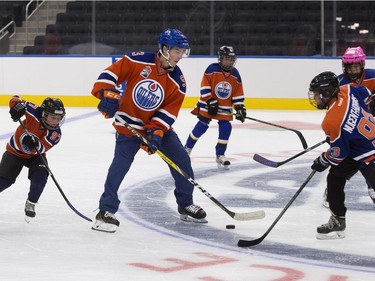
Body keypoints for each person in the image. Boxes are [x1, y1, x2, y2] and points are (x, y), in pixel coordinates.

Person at [90, 28, 207, 233]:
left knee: (182, 159)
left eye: (182, 52)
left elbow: (167, 112)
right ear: (164, 49)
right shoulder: (137, 61)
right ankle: (105, 211)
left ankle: (185, 203)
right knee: (120, 165)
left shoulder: (178, 82)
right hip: (128, 125)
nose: (180, 56)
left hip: (155, 127)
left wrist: (156, 132)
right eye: (177, 51)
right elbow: (109, 75)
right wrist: (106, 93)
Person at [308, 71, 375, 239]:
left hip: (369, 154)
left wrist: (322, 160)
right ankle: (338, 220)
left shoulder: (331, 121)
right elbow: (366, 95)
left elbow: (338, 154)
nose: (315, 98)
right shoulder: (347, 90)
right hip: (360, 148)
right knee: (335, 177)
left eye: (317, 94)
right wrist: (345, 132)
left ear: (328, 93)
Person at [322, 46, 375, 207]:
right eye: (350, 67)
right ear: (344, 67)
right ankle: (331, 190)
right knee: (343, 160)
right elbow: (333, 109)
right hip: (351, 127)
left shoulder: (373, 76)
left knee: (369, 158)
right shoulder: (339, 82)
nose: (353, 70)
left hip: (368, 125)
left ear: (362, 65)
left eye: (356, 66)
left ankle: (371, 186)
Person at [0, 96, 65, 222]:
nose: (55, 122)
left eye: (58, 118)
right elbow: (15, 98)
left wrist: (34, 143)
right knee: (4, 181)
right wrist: (16, 107)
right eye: (53, 117)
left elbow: (41, 149)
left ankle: (31, 202)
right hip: (14, 152)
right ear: (44, 114)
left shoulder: (56, 134)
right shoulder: (34, 111)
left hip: (34, 156)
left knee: (41, 175)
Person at [184, 45, 246, 169]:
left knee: (226, 128)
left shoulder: (236, 74)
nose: (229, 61)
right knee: (202, 126)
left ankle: (220, 155)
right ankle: (187, 148)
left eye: (231, 59)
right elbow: (204, 86)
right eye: (226, 59)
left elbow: (237, 92)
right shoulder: (212, 69)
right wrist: (210, 100)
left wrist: (239, 108)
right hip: (209, 104)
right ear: (220, 59)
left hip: (225, 106)